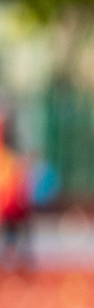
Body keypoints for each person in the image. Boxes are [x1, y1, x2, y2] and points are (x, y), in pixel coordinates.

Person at [0, 113, 33, 278]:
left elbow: (18, 176)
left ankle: (17, 260)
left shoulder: (11, 152)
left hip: (10, 200)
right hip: (6, 200)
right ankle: (15, 259)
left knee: (18, 225)